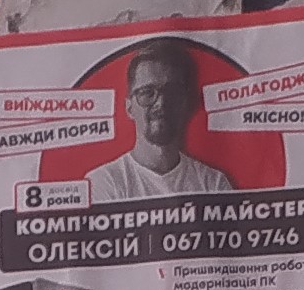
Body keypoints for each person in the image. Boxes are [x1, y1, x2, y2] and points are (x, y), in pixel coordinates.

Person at [88, 39, 235, 202]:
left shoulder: (213, 184)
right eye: (147, 92)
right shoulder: (103, 182)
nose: (161, 103)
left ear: (187, 103)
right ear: (129, 108)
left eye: (172, 92)